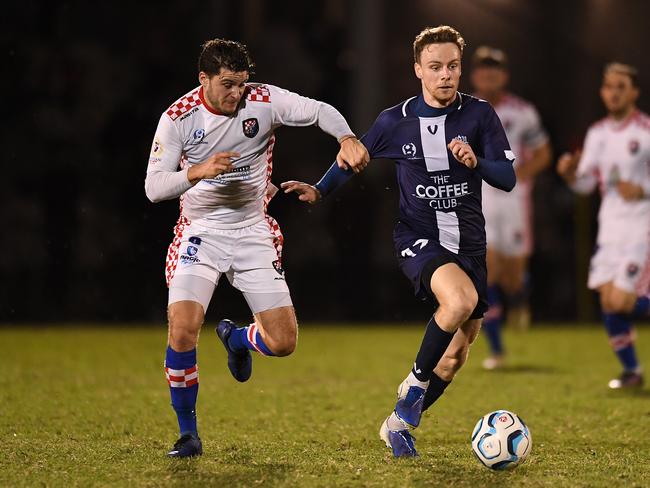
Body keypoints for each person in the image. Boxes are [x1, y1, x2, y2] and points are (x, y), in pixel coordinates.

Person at [282, 25, 516, 457]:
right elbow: (355, 158)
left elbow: (508, 177)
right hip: (420, 237)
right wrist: (319, 189)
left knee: (455, 357)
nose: (445, 75)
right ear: (418, 71)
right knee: (459, 301)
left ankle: (397, 425)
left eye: (452, 66)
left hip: (470, 246)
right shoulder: (396, 120)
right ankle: (412, 386)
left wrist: (475, 160)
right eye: (435, 67)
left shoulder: (480, 115)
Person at [145, 38, 369, 458]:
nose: (236, 93)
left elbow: (320, 110)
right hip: (201, 233)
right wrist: (197, 171)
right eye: (227, 84)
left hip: (252, 231)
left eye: (241, 84)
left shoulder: (263, 100)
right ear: (204, 79)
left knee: (283, 342)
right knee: (182, 329)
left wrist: (346, 137)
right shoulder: (178, 118)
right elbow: (154, 188)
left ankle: (238, 338)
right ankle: (188, 434)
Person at [557, 62, 649, 389]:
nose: (614, 92)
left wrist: (644, 189)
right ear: (602, 92)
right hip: (610, 231)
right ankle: (632, 372)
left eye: (621, 86)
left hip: (641, 229)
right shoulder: (597, 134)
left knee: (622, 301)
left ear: (634, 92)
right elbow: (585, 185)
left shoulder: (646, 131)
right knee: (609, 302)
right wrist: (570, 174)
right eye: (609, 86)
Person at [470, 46, 552, 370]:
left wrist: (522, 177)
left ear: (504, 75)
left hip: (514, 199)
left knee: (512, 276)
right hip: (481, 197)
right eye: (483, 70)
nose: (489, 76)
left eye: (495, 70)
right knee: (486, 268)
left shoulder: (523, 112)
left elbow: (543, 152)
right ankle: (497, 350)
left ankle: (520, 297)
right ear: (474, 75)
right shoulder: (464, 109)